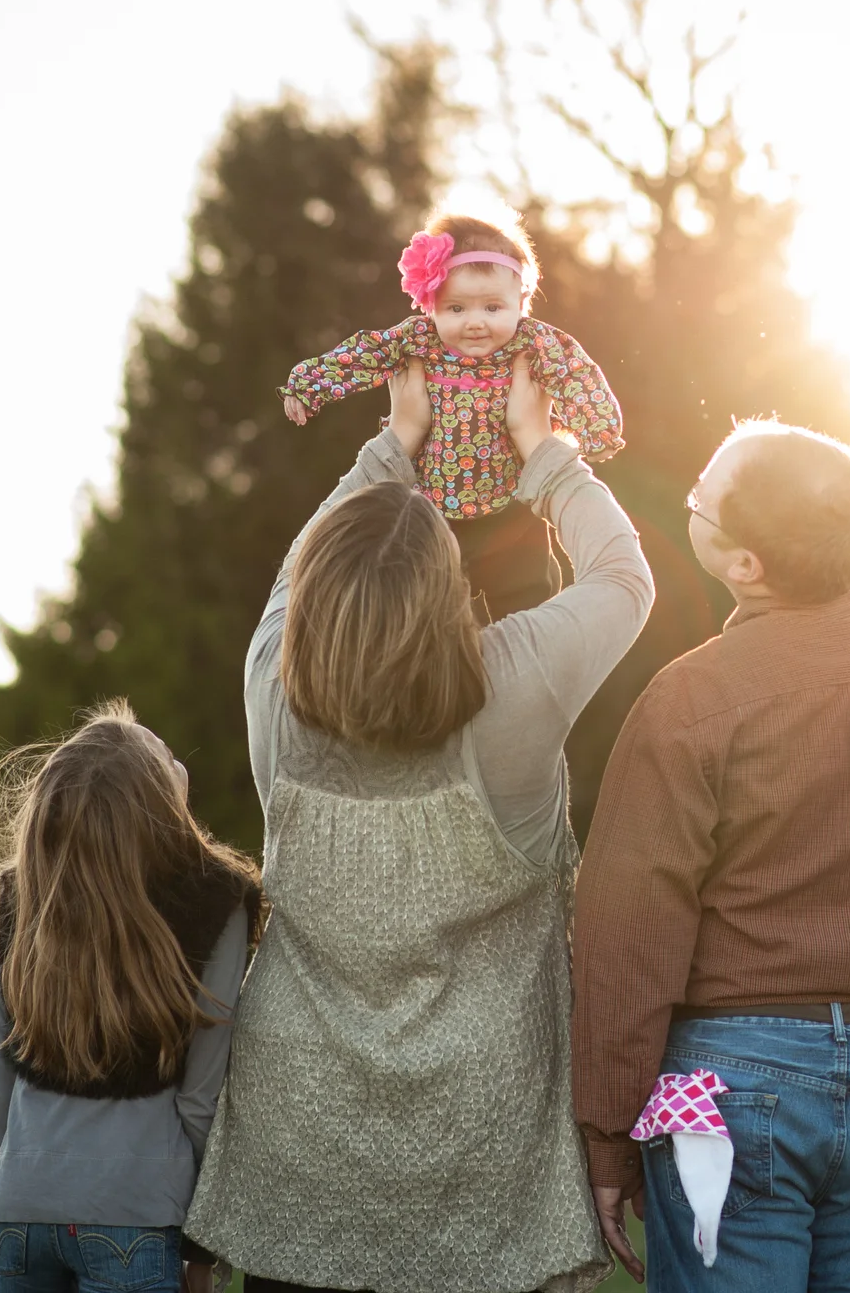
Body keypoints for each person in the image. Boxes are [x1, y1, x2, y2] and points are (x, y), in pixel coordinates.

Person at [188, 353, 653, 1293]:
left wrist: (394, 443)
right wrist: (541, 449)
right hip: (487, 1140)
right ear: (447, 589)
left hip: (300, 1138)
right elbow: (623, 577)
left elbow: (301, 563)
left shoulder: (269, 678)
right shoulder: (513, 683)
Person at [573, 421, 850, 1292]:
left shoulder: (689, 695)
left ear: (744, 565)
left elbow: (629, 926)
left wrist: (607, 1129)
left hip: (727, 1084)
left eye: (700, 500)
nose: (690, 501)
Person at [0, 703, 263, 1293]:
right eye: (159, 753)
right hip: (137, 1210)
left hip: (20, 1207)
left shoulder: (25, 894)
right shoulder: (219, 902)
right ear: (153, 801)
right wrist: (200, 1243)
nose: (171, 752)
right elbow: (201, 1099)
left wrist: (37, 1182)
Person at [279, 211, 624, 619]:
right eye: (456, 308)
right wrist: (309, 384)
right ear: (432, 307)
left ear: (521, 303)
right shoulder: (418, 340)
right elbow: (363, 355)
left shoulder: (535, 344)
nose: (475, 322)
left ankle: (524, 669)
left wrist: (598, 429)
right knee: (423, 608)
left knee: (528, 599)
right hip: (430, 511)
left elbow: (576, 375)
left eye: (493, 307)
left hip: (511, 511)